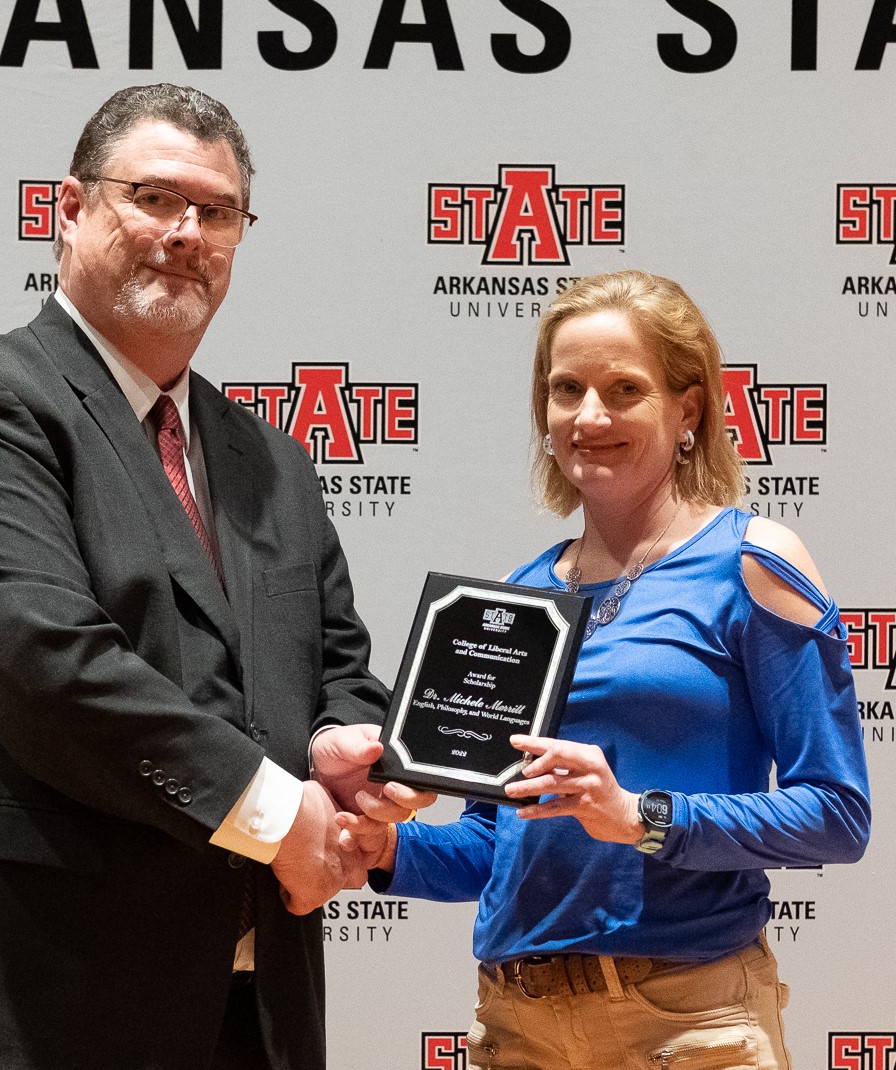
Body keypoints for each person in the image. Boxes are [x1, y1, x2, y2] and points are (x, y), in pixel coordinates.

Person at [0, 84, 425, 1070]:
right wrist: (275, 812)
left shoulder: (271, 459)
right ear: (71, 210)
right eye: (154, 197)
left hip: (258, 1009)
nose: (185, 232)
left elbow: (336, 658)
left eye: (216, 212)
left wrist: (342, 742)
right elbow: (49, 669)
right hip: (41, 1005)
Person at [340, 270, 870, 1070]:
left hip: (688, 1024)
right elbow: (494, 845)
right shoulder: (521, 598)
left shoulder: (751, 562)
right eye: (567, 389)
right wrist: (383, 853)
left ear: (686, 408)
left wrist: (641, 816)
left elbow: (837, 814)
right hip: (516, 1026)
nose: (590, 416)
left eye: (624, 389)